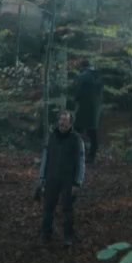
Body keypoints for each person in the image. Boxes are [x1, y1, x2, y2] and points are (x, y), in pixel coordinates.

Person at [35, 109, 88, 246]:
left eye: (65, 120)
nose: (62, 123)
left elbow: (81, 163)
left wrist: (78, 182)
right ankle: (45, 234)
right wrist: (41, 177)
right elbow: (45, 158)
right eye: (60, 120)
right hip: (51, 177)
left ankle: (68, 236)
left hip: (68, 180)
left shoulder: (77, 140)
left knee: (67, 209)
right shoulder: (51, 137)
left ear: (70, 123)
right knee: (48, 208)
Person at [71, 60, 104, 164]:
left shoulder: (82, 76)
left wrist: (75, 100)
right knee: (92, 132)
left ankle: (77, 153)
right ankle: (92, 156)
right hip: (95, 108)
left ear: (82, 66)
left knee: (76, 131)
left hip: (83, 107)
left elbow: (78, 92)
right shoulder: (98, 76)